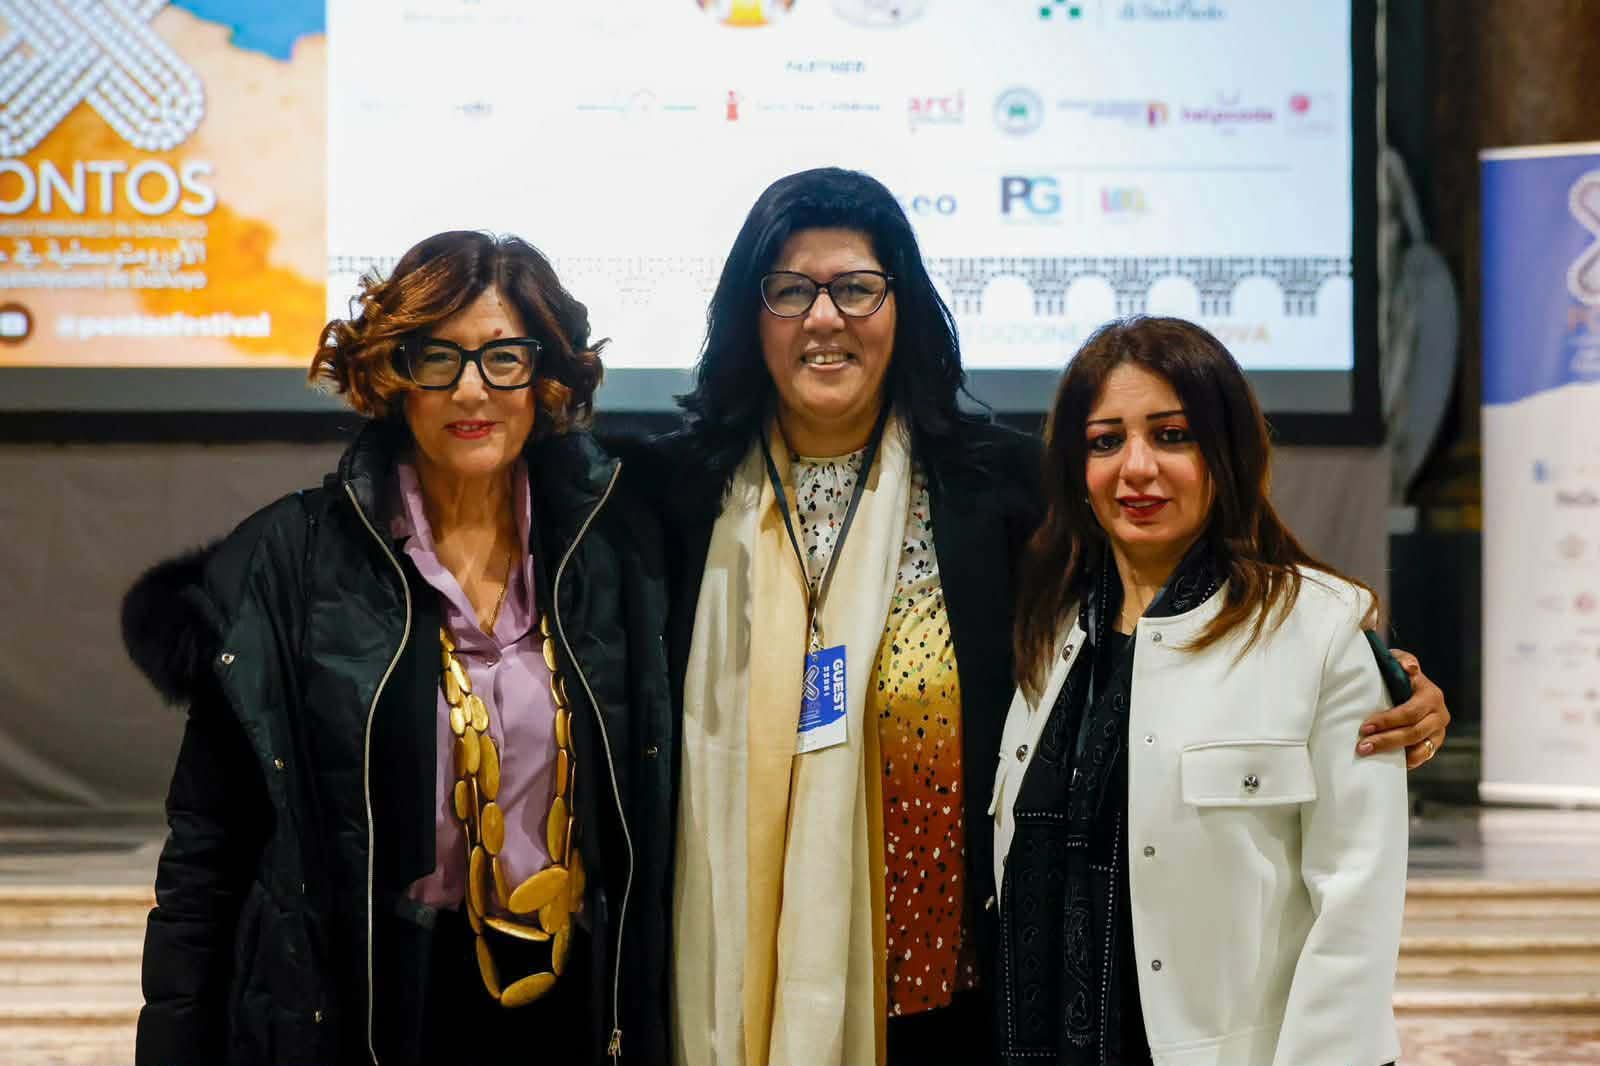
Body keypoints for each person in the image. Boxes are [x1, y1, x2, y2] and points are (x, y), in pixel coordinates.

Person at [637, 167, 1448, 1066]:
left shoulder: (1000, 490)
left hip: (958, 993)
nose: (824, 317)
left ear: (903, 308)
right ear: (750, 315)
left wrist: (1380, 676)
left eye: (857, 287)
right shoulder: (671, 498)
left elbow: (1190, 593)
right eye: (790, 290)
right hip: (730, 977)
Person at [122, 231, 673, 1066]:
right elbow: (209, 848)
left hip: (583, 997)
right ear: (392, 375)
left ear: (546, 375)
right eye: (436, 357)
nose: (470, 389)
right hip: (376, 1001)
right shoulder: (293, 561)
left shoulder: (615, 550)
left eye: (504, 358)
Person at [994, 317, 1409, 1066]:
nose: (1136, 468)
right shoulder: (1049, 630)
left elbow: (1357, 903)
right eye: (1105, 441)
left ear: (1226, 451)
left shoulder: (1319, 631)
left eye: (1172, 435)